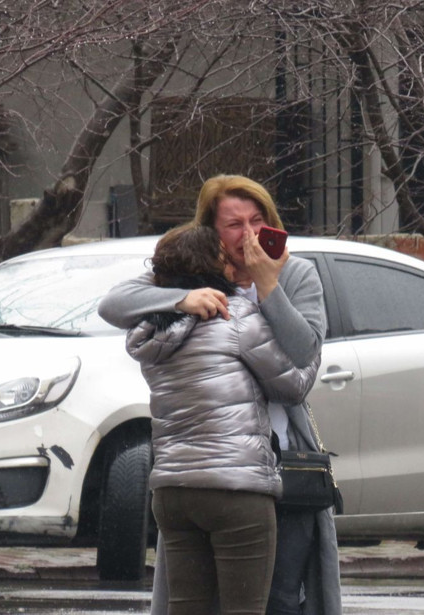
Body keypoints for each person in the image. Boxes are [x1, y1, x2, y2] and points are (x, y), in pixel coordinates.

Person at [98, 175, 342, 615]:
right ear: (210, 230)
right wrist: (182, 298)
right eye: (233, 224)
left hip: (279, 462)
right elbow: (113, 304)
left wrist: (269, 286)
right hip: (222, 473)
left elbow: (306, 348)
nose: (247, 234)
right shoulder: (191, 278)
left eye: (257, 220)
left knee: (281, 596)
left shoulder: (297, 273)